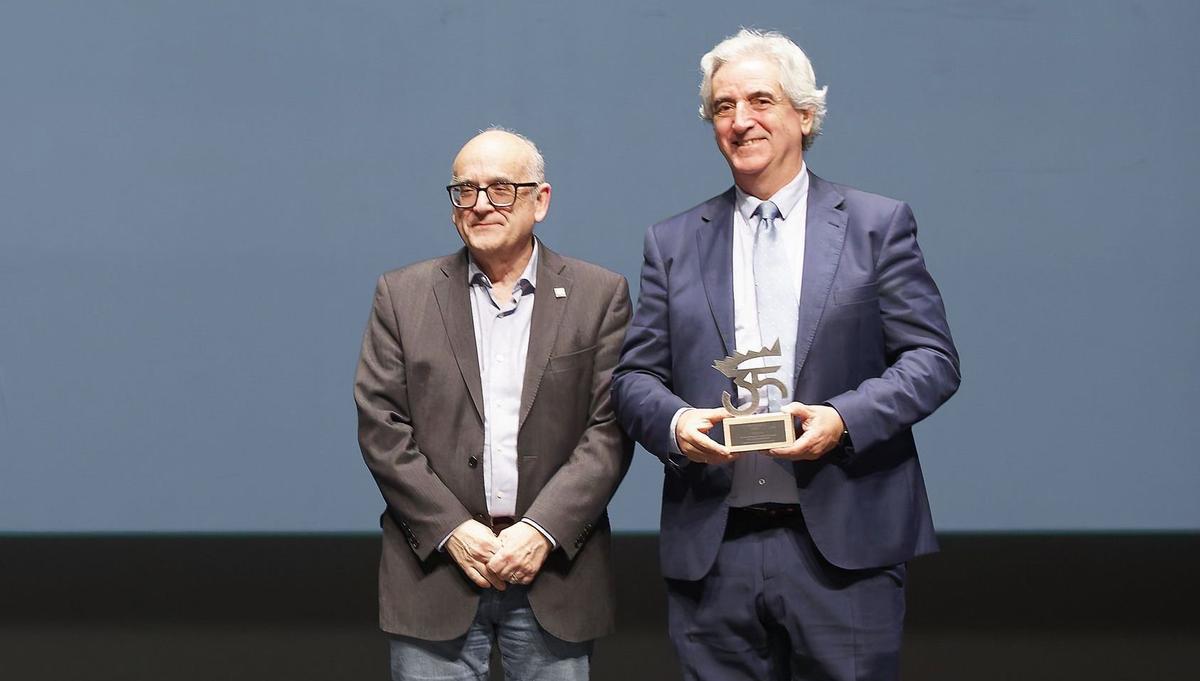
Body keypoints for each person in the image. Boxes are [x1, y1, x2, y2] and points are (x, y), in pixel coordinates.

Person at [611, 29, 960, 680]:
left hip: (843, 547)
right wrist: (675, 424)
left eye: (760, 101)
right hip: (714, 550)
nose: (740, 120)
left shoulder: (875, 225)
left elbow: (933, 359)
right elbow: (633, 376)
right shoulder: (672, 242)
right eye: (722, 106)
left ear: (804, 114)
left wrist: (844, 417)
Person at [355, 128, 633, 680]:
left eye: (501, 189)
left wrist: (542, 530)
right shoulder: (402, 295)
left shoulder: (599, 295)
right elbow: (382, 426)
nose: (481, 205)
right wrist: (452, 529)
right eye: (465, 190)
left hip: (554, 571)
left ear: (541, 200)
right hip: (435, 571)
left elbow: (610, 428)